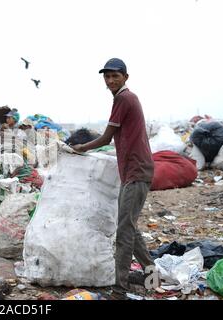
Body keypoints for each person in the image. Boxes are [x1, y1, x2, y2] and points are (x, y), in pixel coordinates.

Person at [72, 58, 155, 291]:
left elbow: (106, 138)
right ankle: (153, 275)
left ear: (125, 77)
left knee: (124, 232)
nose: (110, 80)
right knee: (129, 226)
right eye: (106, 77)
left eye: (114, 76)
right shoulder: (125, 98)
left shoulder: (123, 98)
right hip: (133, 170)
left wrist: (80, 148)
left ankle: (120, 290)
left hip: (136, 171)